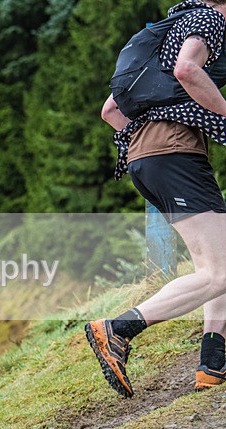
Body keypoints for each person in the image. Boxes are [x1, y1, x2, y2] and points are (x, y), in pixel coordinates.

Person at [89, 0, 226, 398]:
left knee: (216, 262)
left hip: (147, 158)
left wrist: (150, 140)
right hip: (175, 154)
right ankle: (117, 329)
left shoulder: (171, 27)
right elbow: (187, 70)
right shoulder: (210, 18)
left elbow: (111, 110)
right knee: (220, 271)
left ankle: (213, 363)